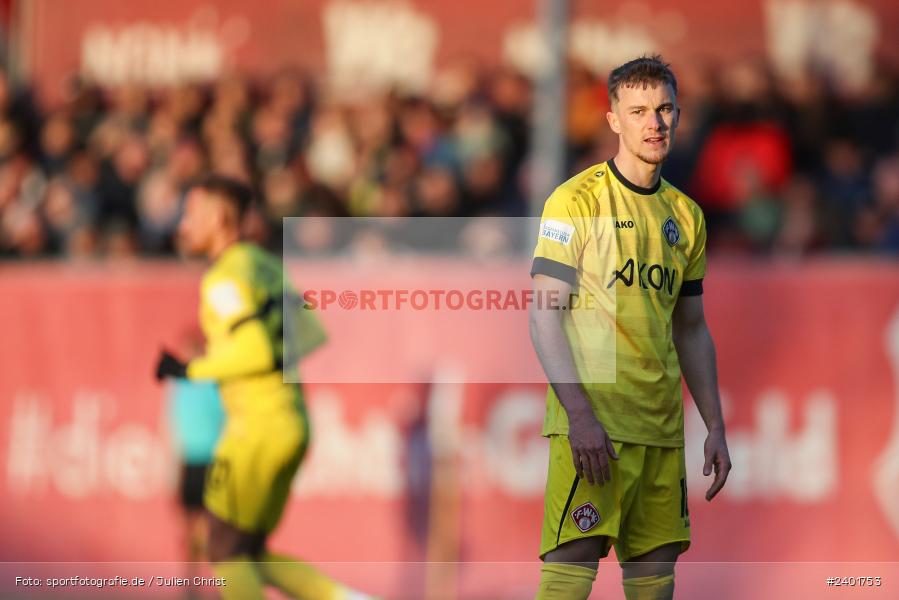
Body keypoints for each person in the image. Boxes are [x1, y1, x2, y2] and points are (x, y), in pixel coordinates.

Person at [529, 55, 732, 600]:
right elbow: (543, 313)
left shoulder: (686, 216)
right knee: (570, 569)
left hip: (661, 429)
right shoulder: (575, 201)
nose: (654, 123)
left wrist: (714, 423)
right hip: (597, 424)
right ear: (613, 119)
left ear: (678, 114)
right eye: (639, 110)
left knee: (654, 583)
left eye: (664, 109)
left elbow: (691, 327)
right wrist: (578, 416)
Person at [155, 175, 372, 600]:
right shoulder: (267, 266)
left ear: (219, 218)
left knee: (222, 549)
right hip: (292, 420)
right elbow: (311, 334)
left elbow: (255, 351)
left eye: (191, 214)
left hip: (253, 428)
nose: (183, 225)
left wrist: (189, 370)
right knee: (248, 553)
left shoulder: (222, 279)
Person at [166, 327, 225, 595]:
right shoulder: (178, 385)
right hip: (188, 463)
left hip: (211, 463)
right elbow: (173, 430)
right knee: (189, 532)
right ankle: (191, 588)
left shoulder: (215, 382)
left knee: (209, 532)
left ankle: (213, 587)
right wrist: (171, 473)